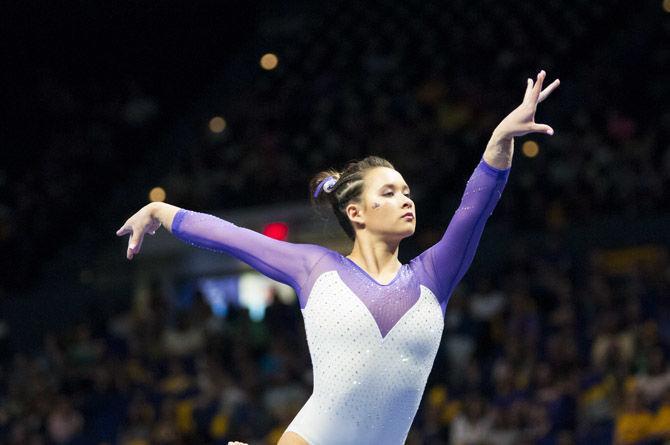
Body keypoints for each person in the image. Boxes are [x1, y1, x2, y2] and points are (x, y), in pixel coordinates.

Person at [117, 70, 560, 445]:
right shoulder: (316, 267)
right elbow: (232, 238)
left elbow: (476, 207)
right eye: (388, 193)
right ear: (356, 213)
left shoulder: (434, 277)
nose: (406, 200)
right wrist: (161, 210)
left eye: (407, 191)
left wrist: (500, 139)